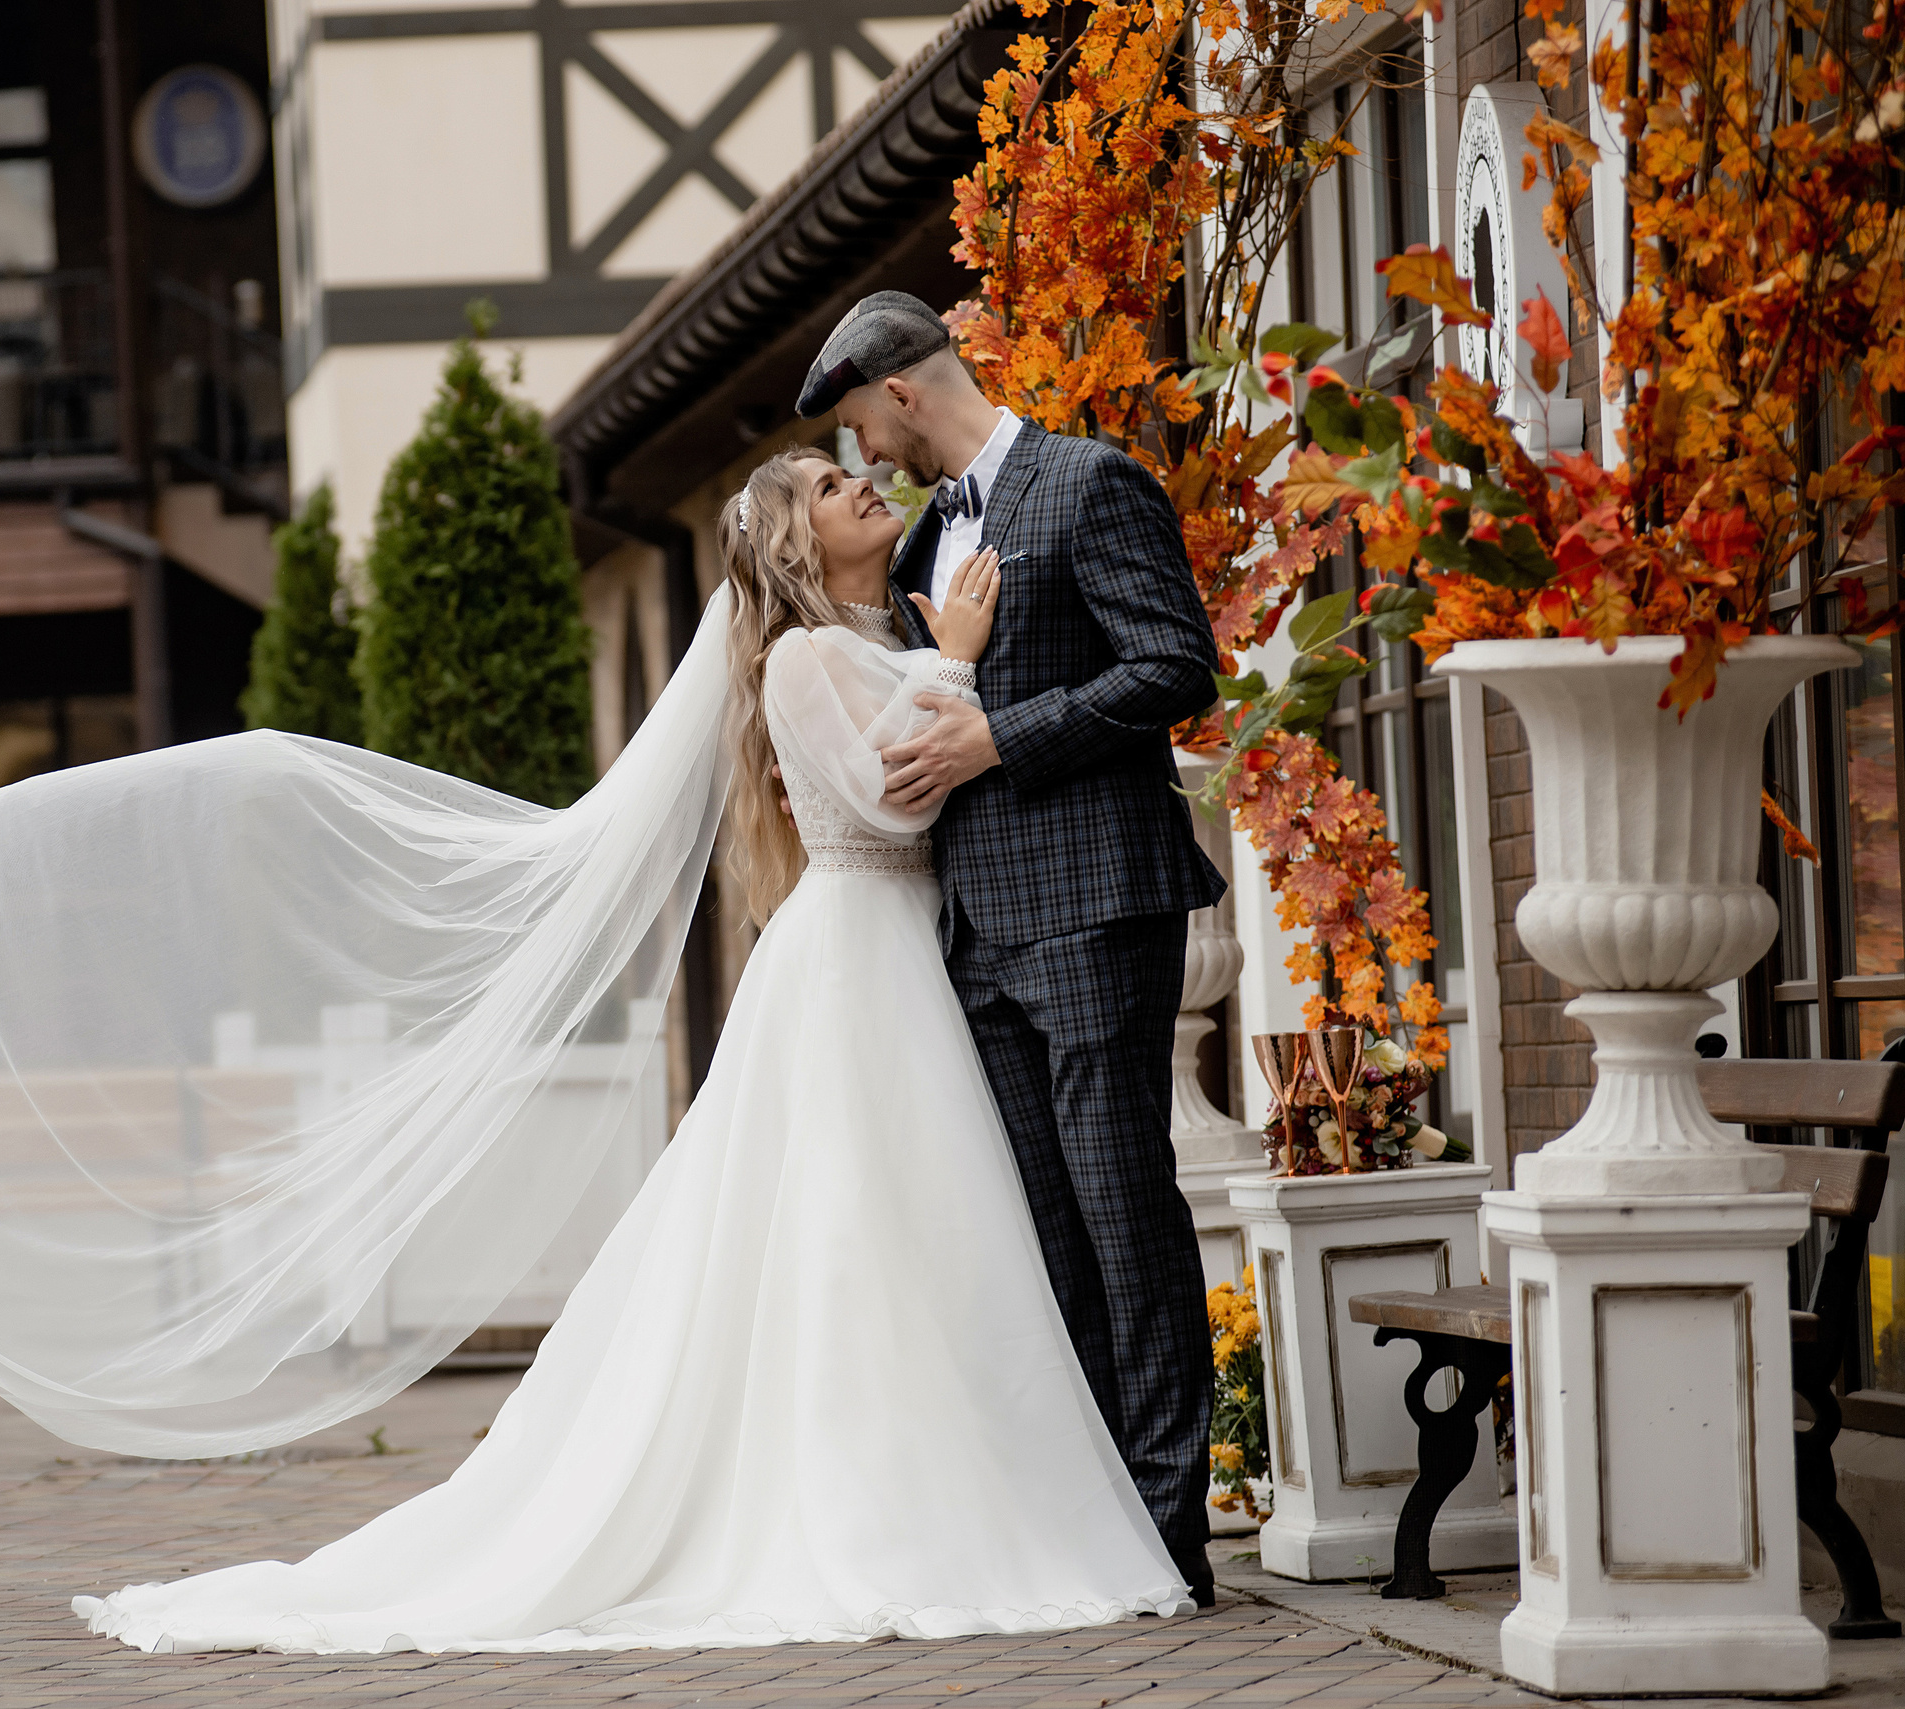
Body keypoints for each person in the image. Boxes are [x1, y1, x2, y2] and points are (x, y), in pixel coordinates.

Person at [66, 448, 1190, 1652]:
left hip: (934, 946)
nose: (860, 481)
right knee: (859, 1228)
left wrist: (942, 656)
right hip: (857, 955)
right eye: (825, 485)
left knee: (953, 1233)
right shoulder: (802, 655)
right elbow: (889, 799)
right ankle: (883, 1503)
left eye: (848, 469)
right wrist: (957, 662)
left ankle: (999, 1483)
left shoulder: (890, 630)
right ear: (793, 542)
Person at [795, 292, 1227, 1604]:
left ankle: (1167, 1539)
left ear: (900, 392)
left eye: (862, 427)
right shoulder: (927, 539)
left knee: (1124, 1214)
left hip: (1095, 903)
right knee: (1046, 1242)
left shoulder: (1089, 482)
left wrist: (1002, 734)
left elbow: (1176, 666)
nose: (868, 457)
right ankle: (1089, 1529)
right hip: (973, 936)